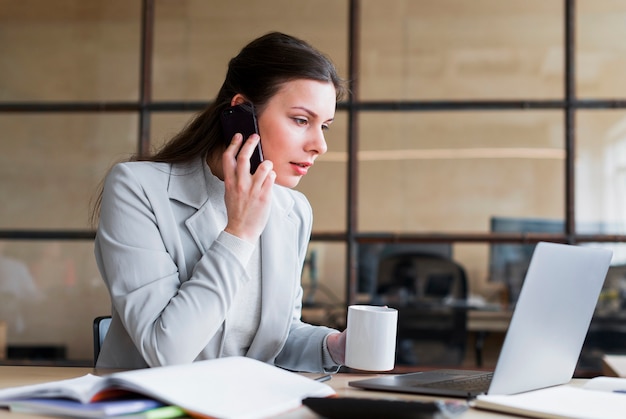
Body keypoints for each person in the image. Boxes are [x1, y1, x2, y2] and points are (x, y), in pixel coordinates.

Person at [91, 32, 347, 372]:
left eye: (325, 126)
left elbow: (273, 340)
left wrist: (335, 347)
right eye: (302, 120)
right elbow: (166, 351)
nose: (319, 145)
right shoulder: (137, 188)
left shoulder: (292, 210)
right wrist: (238, 233)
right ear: (242, 112)